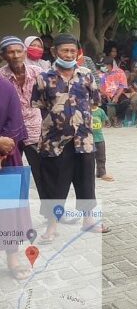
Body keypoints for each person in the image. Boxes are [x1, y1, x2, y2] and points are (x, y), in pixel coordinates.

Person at [32, 34, 110, 244]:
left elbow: (94, 102)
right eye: (64, 51)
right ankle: (52, 227)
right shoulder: (44, 77)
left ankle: (88, 221)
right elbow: (39, 106)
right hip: (54, 142)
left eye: (72, 51)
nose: (68, 54)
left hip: (83, 140)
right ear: (55, 52)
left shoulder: (86, 75)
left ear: (77, 52)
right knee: (55, 184)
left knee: (86, 182)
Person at [0, 36, 45, 210]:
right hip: (9, 134)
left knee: (43, 173)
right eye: (11, 52)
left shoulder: (37, 72)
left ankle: (50, 213)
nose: (16, 55)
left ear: (25, 53)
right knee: (9, 172)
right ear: (3, 55)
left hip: (35, 129)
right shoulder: (1, 77)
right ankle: (11, 213)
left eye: (19, 51)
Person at [0, 80, 31, 280]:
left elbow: (15, 122)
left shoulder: (5, 87)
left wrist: (3, 148)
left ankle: (12, 258)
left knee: (8, 210)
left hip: (5, 157)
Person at [99, 57, 130, 128]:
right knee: (99, 101)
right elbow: (100, 87)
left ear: (110, 65)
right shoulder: (102, 74)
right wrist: (106, 95)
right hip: (106, 94)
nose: (103, 67)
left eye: (105, 65)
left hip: (117, 93)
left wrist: (116, 96)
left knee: (126, 102)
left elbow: (122, 86)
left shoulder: (120, 72)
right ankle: (106, 119)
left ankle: (118, 119)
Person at [90, 102, 114, 182]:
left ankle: (101, 173)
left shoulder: (100, 111)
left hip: (99, 138)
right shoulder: (87, 111)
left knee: (101, 157)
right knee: (89, 158)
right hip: (89, 139)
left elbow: (104, 121)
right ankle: (89, 174)